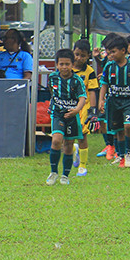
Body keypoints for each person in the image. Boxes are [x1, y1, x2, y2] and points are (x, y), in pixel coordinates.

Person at [99, 35, 130, 168]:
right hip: (113, 102)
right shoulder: (109, 66)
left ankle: (128, 153)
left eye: (113, 52)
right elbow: (104, 84)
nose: (111, 55)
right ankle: (120, 155)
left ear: (123, 51)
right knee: (119, 130)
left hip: (129, 101)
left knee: (128, 126)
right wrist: (101, 100)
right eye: (109, 52)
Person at [46, 49, 87, 186]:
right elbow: (52, 92)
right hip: (58, 114)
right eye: (61, 64)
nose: (64, 67)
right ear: (57, 65)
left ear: (72, 65)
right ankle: (53, 172)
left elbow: (82, 98)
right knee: (56, 141)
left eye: (67, 64)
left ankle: (65, 175)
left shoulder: (77, 80)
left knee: (68, 145)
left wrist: (76, 110)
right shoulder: (53, 78)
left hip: (72, 115)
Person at [71, 39, 99, 176]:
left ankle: (82, 165)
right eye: (77, 54)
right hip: (68, 106)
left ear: (88, 56)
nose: (79, 58)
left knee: (82, 135)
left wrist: (93, 110)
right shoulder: (66, 68)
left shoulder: (90, 71)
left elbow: (93, 91)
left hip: (83, 107)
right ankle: (74, 151)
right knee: (66, 136)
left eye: (83, 56)